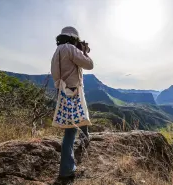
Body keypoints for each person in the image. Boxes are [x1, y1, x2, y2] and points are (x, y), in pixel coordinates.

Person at [51, 26, 94, 178]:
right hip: (73, 91)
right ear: (74, 39)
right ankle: (66, 169)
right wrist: (83, 52)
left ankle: (85, 137)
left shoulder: (57, 51)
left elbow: (55, 74)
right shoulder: (70, 49)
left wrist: (62, 87)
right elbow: (89, 64)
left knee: (80, 116)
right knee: (71, 130)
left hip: (62, 91)